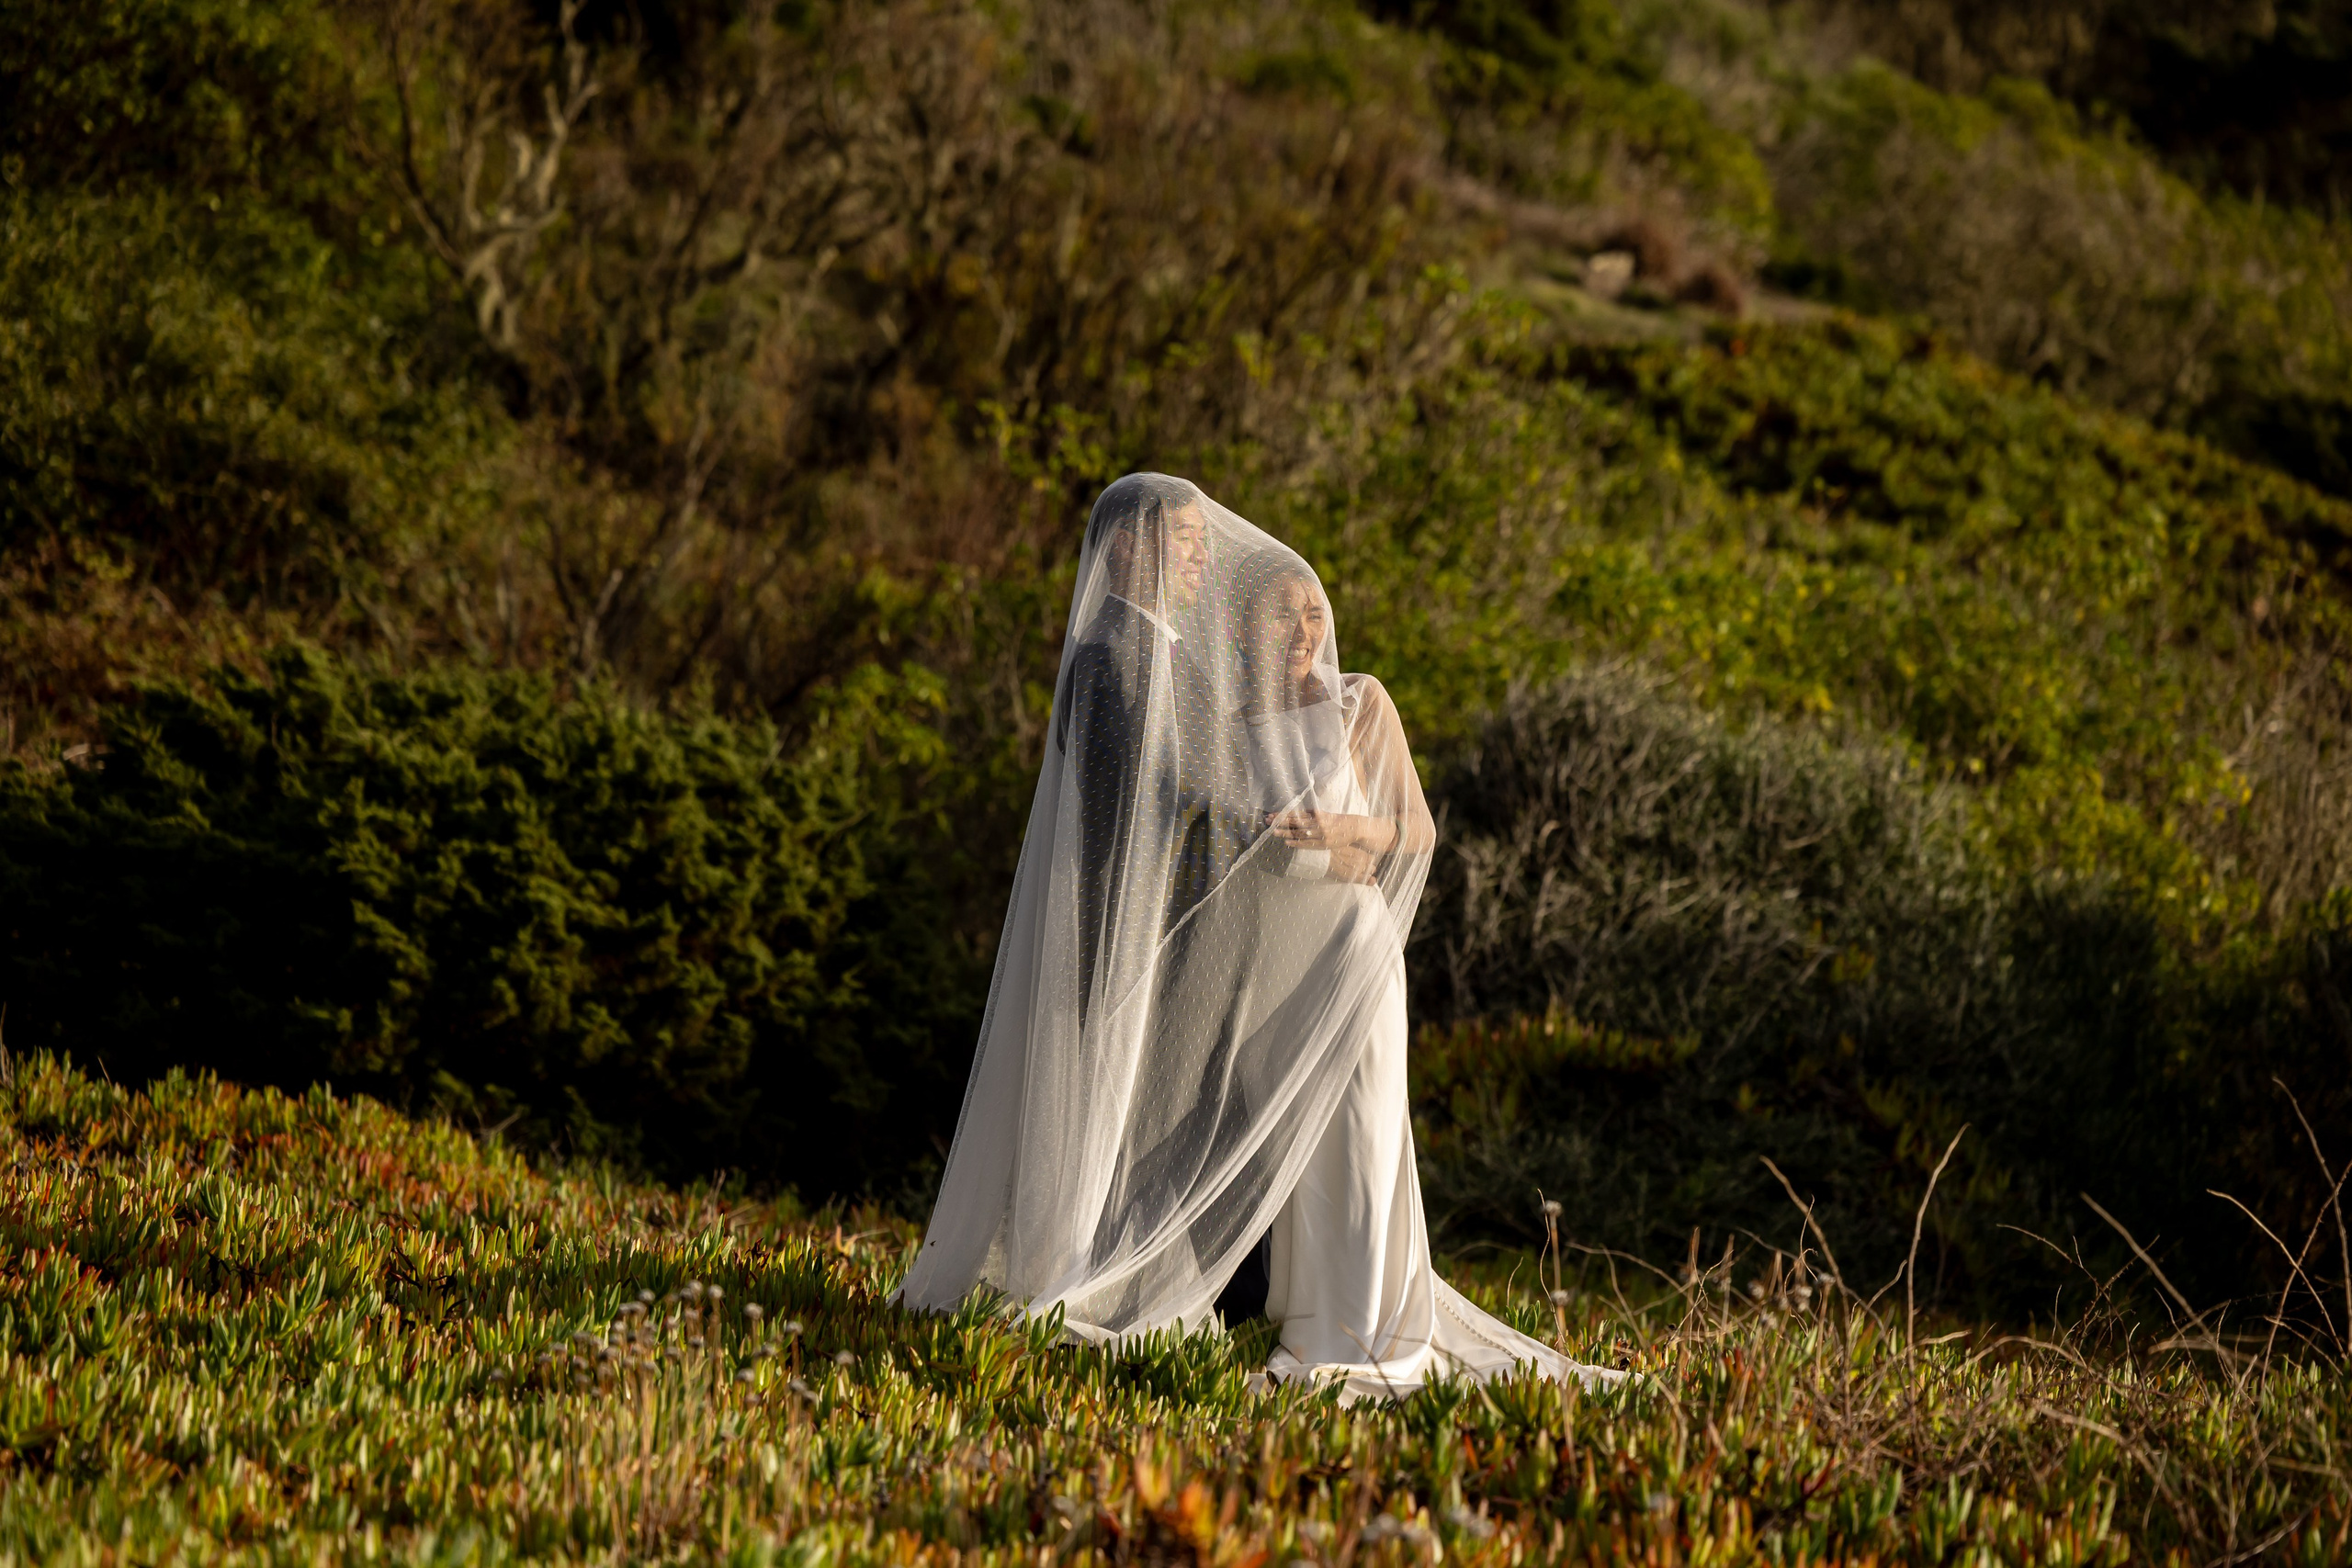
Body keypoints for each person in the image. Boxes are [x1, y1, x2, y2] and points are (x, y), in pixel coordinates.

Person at [896, 473, 1622, 1400]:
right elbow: (1157, 822)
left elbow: (1325, 821)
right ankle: (1154, 1295)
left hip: (1290, 959)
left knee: (1289, 1138)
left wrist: (1335, 842)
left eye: (1207, 543)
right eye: (1188, 541)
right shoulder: (1125, 657)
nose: (1204, 556)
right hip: (1205, 961)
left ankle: (1295, 1314)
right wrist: (1283, 847)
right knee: (1185, 1136)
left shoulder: (1249, 679)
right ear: (1131, 546)